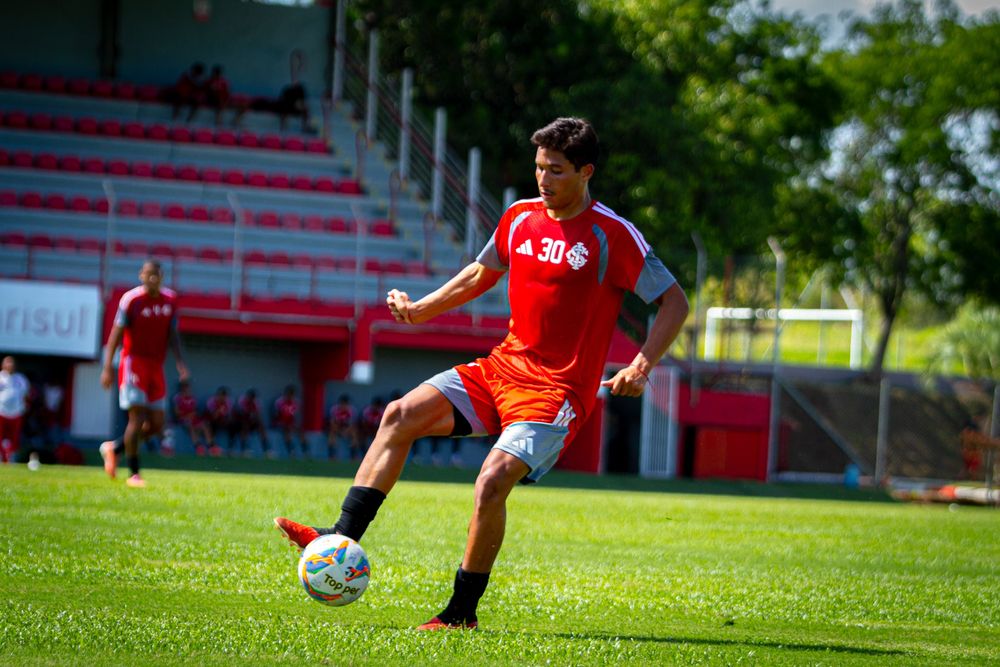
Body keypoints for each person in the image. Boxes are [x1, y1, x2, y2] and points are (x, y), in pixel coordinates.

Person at [275, 117, 689, 630]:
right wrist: (420, 310)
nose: (543, 179)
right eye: (539, 167)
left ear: (586, 172)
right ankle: (338, 538)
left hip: (556, 393)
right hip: (501, 369)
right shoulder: (519, 217)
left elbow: (674, 300)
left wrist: (641, 365)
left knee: (491, 481)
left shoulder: (613, 234)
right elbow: (479, 273)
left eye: (556, 171)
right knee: (400, 414)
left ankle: (460, 613)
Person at [100, 260, 189, 487]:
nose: (152, 278)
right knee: (136, 419)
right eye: (148, 274)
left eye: (156, 274)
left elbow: (173, 335)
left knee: (158, 424)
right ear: (141, 275)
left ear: (161, 276)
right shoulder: (131, 300)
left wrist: (180, 363)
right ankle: (134, 474)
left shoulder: (170, 300)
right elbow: (116, 335)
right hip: (133, 363)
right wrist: (108, 366)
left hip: (156, 366)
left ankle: (115, 448)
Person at [172, 380, 216, 456]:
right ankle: (198, 447)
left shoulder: (192, 398)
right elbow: (177, 413)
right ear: (182, 389)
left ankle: (211, 447)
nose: (187, 390)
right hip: (182, 419)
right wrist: (187, 415)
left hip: (193, 418)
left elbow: (195, 410)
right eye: (185, 388)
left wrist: (192, 414)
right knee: (191, 427)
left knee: (205, 426)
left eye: (188, 388)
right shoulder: (177, 398)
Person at [0, 356, 30, 463]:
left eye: (11, 363)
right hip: (1, 412)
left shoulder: (20, 378)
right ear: (3, 365)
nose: (10, 365)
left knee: (14, 439)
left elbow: (26, 395)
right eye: (7, 363)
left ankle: (11, 459)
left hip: (16, 413)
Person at [235, 388, 271, 458]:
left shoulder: (256, 402)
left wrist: (254, 418)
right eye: (251, 397)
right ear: (248, 396)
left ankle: (267, 449)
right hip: (239, 423)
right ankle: (244, 449)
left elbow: (257, 415)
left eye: (253, 398)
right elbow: (239, 414)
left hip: (251, 422)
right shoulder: (241, 401)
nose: (252, 399)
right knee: (245, 425)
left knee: (261, 425)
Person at [274, 384, 307, 459]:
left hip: (291, 424)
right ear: (286, 393)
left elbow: (295, 416)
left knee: (301, 432)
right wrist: (283, 423)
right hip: (280, 423)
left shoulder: (295, 402)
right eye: (289, 394)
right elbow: (276, 416)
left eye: (292, 394)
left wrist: (294, 425)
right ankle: (291, 451)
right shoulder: (279, 402)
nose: (290, 396)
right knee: (287, 431)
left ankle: (305, 452)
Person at [205, 386, 236, 455]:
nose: (223, 398)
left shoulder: (228, 402)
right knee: (212, 425)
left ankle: (231, 449)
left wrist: (226, 419)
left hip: (223, 421)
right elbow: (212, 416)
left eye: (225, 395)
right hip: (212, 421)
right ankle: (212, 447)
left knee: (233, 425)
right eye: (222, 395)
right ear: (218, 395)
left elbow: (230, 416)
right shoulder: (211, 402)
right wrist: (219, 411)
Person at [327, 393, 357, 460]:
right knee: (331, 434)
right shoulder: (334, 409)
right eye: (342, 403)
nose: (344, 406)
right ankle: (332, 456)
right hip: (337, 428)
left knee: (354, 434)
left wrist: (345, 432)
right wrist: (339, 431)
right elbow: (332, 423)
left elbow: (352, 424)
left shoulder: (351, 410)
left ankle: (353, 456)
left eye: (346, 404)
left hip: (346, 429)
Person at [356, 396, 385, 460]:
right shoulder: (367, 410)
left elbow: (383, 425)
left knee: (381, 437)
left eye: (378, 406)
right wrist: (367, 430)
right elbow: (362, 423)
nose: (377, 408)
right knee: (361, 436)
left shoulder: (382, 412)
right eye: (376, 405)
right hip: (366, 429)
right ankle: (363, 455)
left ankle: (377, 456)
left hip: (376, 430)